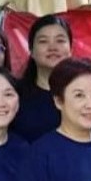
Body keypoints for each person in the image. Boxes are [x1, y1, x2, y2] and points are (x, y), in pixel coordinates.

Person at [12, 14, 73, 142]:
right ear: (31, 51)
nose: (52, 47)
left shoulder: (82, 94)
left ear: (71, 49)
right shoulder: (14, 94)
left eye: (60, 40)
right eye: (43, 41)